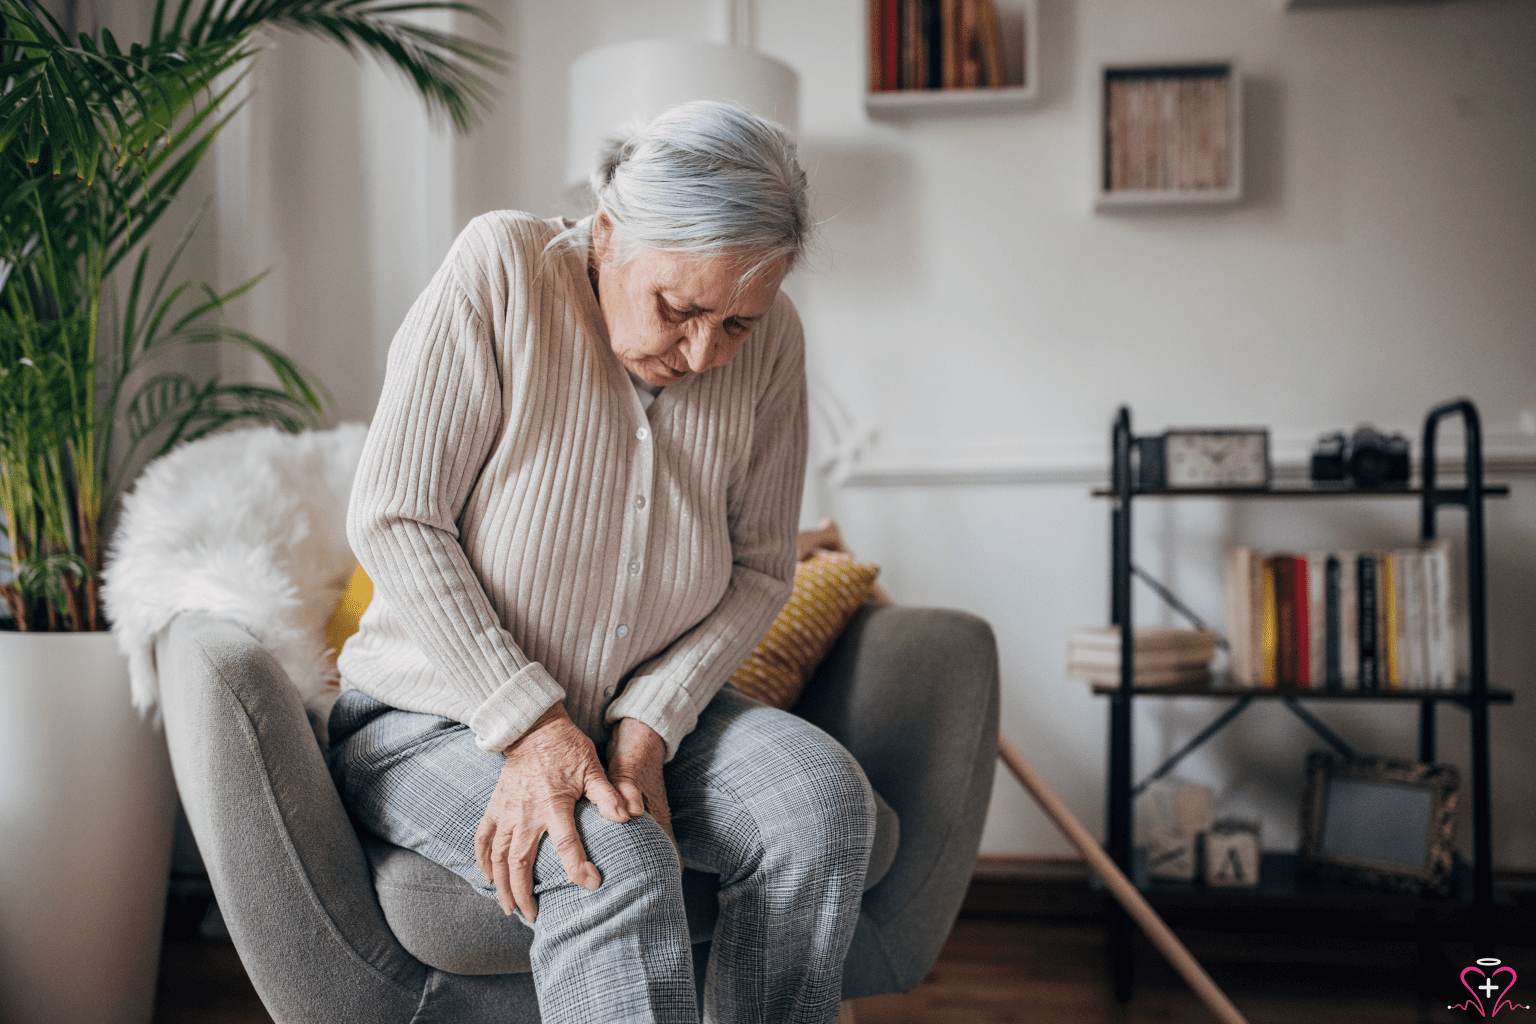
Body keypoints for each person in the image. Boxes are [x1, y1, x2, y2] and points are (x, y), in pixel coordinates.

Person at [328, 101, 877, 1024]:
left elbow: (760, 571)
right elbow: (395, 515)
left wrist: (650, 721)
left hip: (645, 707)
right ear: (610, 233)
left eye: (736, 324)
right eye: (682, 308)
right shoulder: (503, 266)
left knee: (821, 808)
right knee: (609, 856)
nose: (706, 353)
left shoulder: (774, 338)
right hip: (432, 716)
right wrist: (534, 725)